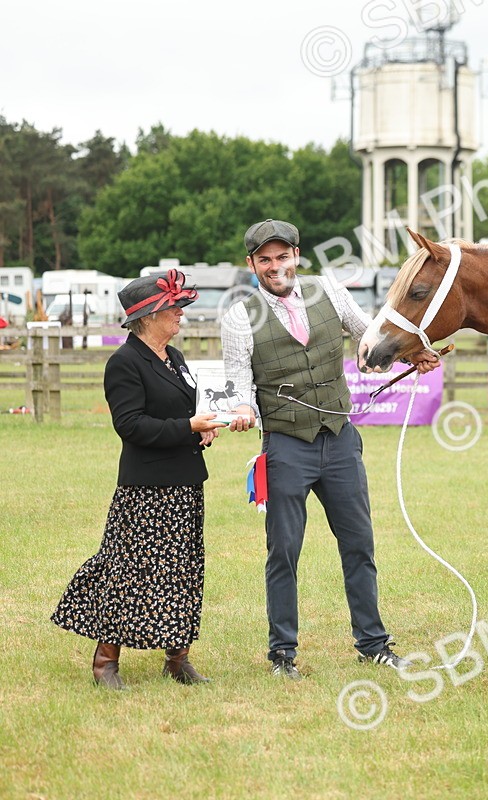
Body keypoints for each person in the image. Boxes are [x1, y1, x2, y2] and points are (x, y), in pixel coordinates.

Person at [221, 219, 426, 680]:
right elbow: (238, 381)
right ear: (251, 264)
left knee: (359, 544)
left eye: (283, 256)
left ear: (298, 254)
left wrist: (413, 352)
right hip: (285, 446)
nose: (276, 267)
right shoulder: (239, 317)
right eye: (265, 259)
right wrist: (240, 407)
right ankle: (282, 656)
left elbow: (368, 334)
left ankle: (373, 645)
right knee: (284, 552)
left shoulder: (328, 290)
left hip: (339, 440)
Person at [52, 270, 226, 690]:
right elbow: (131, 426)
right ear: (148, 317)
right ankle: (105, 663)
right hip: (144, 489)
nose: (180, 314)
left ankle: (177, 658)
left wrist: (200, 431)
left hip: (185, 482)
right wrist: (187, 426)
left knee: (183, 570)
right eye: (173, 308)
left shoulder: (177, 358)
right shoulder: (124, 362)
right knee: (128, 572)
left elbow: (183, 415)